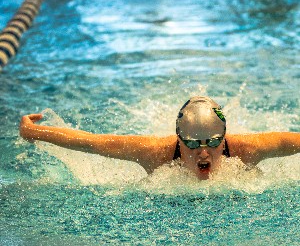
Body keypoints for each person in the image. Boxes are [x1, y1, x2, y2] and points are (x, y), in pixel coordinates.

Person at [19, 96, 300, 180]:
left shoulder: (249, 149)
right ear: (179, 141)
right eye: (192, 144)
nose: (203, 153)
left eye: (212, 143)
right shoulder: (155, 153)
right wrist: (34, 132)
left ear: (224, 139)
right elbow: (93, 141)